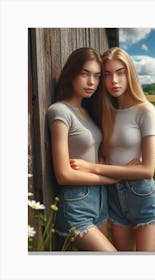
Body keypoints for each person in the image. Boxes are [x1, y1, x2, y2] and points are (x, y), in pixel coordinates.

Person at [70, 47, 155, 251]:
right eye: (107, 74)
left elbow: (147, 170)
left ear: (129, 74)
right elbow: (103, 152)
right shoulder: (103, 111)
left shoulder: (145, 110)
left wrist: (93, 168)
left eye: (120, 72)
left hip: (142, 196)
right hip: (113, 198)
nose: (114, 80)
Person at [46, 47, 118, 251]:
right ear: (72, 73)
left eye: (96, 76)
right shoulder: (59, 111)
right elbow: (63, 174)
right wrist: (110, 178)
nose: (91, 82)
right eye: (85, 74)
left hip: (100, 202)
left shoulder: (87, 111)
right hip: (77, 204)